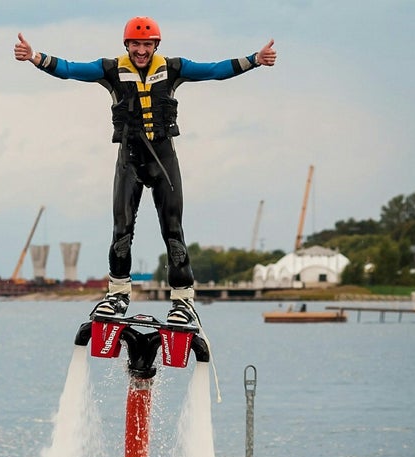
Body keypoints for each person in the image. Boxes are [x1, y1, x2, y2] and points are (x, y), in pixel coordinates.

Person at [14, 17, 277, 324]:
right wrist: (35, 57)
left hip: (163, 160)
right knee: (121, 229)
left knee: (173, 230)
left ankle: (182, 301)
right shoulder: (109, 70)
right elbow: (70, 70)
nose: (141, 50)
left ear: (156, 45)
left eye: (147, 44)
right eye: (135, 44)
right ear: (126, 45)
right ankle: (118, 294)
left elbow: (215, 71)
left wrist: (255, 60)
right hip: (129, 160)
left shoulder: (174, 68)